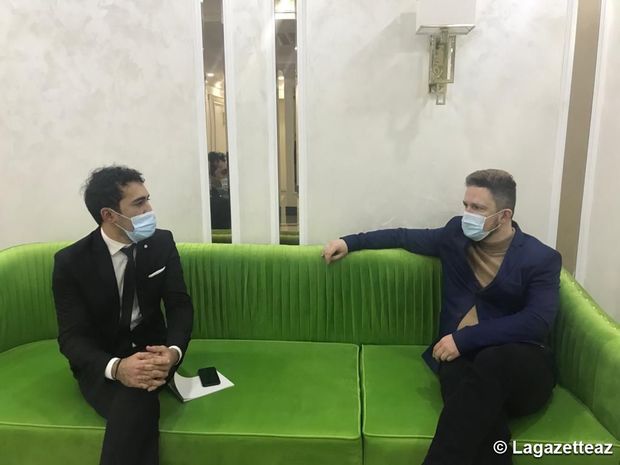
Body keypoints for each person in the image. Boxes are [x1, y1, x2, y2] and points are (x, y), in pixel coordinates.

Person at [322, 169, 561, 465]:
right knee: (477, 409)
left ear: (504, 215)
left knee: (491, 362)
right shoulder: (454, 235)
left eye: (478, 208)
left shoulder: (540, 258)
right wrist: (349, 242)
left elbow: (537, 321)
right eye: (466, 205)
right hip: (461, 362)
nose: (468, 214)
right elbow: (403, 236)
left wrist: (464, 339)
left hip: (522, 369)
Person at [52, 166, 194, 465]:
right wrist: (117, 368)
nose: (149, 210)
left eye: (148, 199)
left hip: (154, 353)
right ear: (109, 215)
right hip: (102, 360)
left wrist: (173, 352)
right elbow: (71, 337)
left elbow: (179, 305)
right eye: (139, 203)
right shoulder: (71, 262)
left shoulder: (162, 243)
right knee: (137, 398)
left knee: (138, 393)